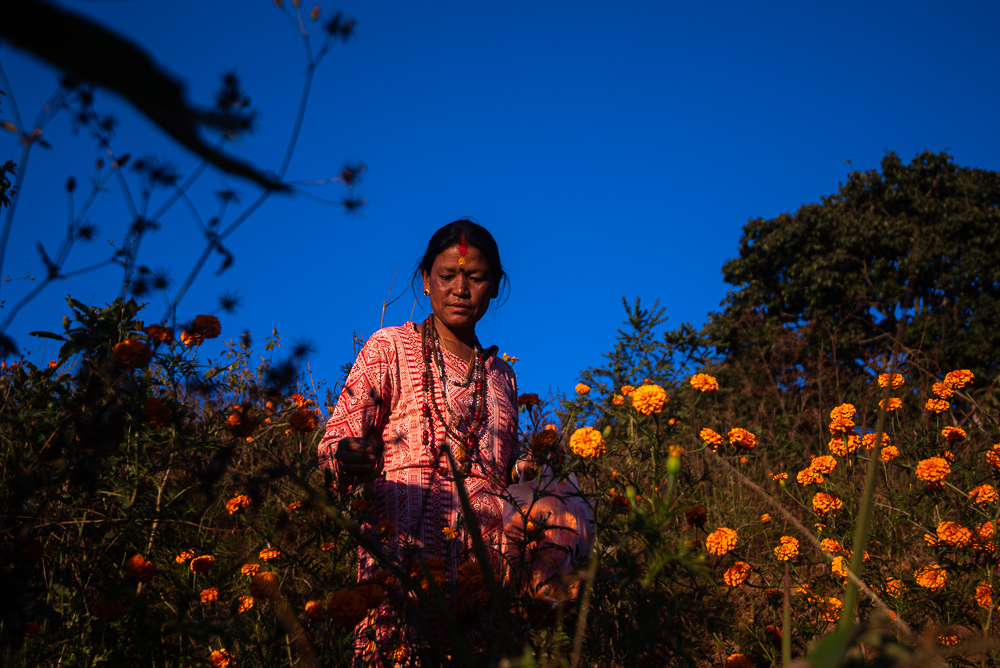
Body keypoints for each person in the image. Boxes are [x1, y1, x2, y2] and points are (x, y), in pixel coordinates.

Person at [318, 219, 518, 665]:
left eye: (476, 277)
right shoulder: (388, 347)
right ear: (426, 281)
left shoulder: (502, 378)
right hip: (399, 569)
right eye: (447, 276)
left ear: (495, 286)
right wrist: (348, 455)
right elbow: (334, 442)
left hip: (483, 583)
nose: (460, 289)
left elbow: (509, 476)